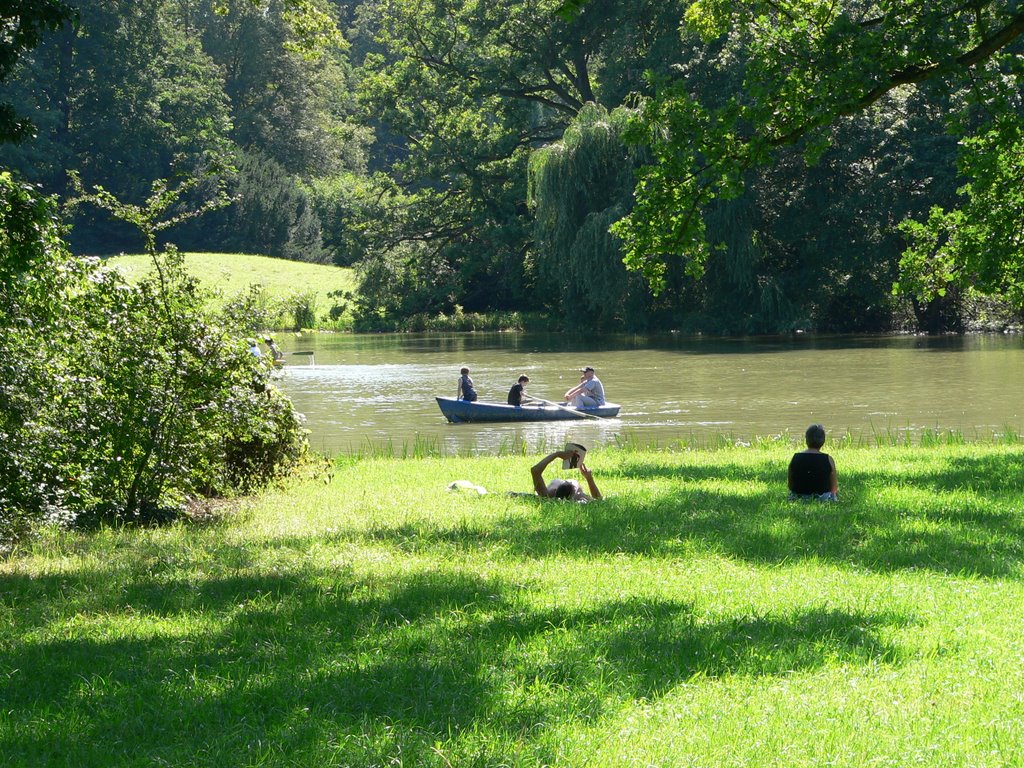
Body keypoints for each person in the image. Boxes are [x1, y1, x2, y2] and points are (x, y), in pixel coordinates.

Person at [788, 423, 839, 501]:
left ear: (806, 439)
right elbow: (834, 488)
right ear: (823, 440)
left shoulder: (796, 457)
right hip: (822, 497)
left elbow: (790, 485)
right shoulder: (828, 459)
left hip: (798, 497)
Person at [530, 448, 602, 501]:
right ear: (575, 491)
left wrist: (557, 454)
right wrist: (589, 479)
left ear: (555, 490)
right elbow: (599, 501)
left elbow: (535, 470)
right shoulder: (579, 496)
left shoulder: (546, 496)